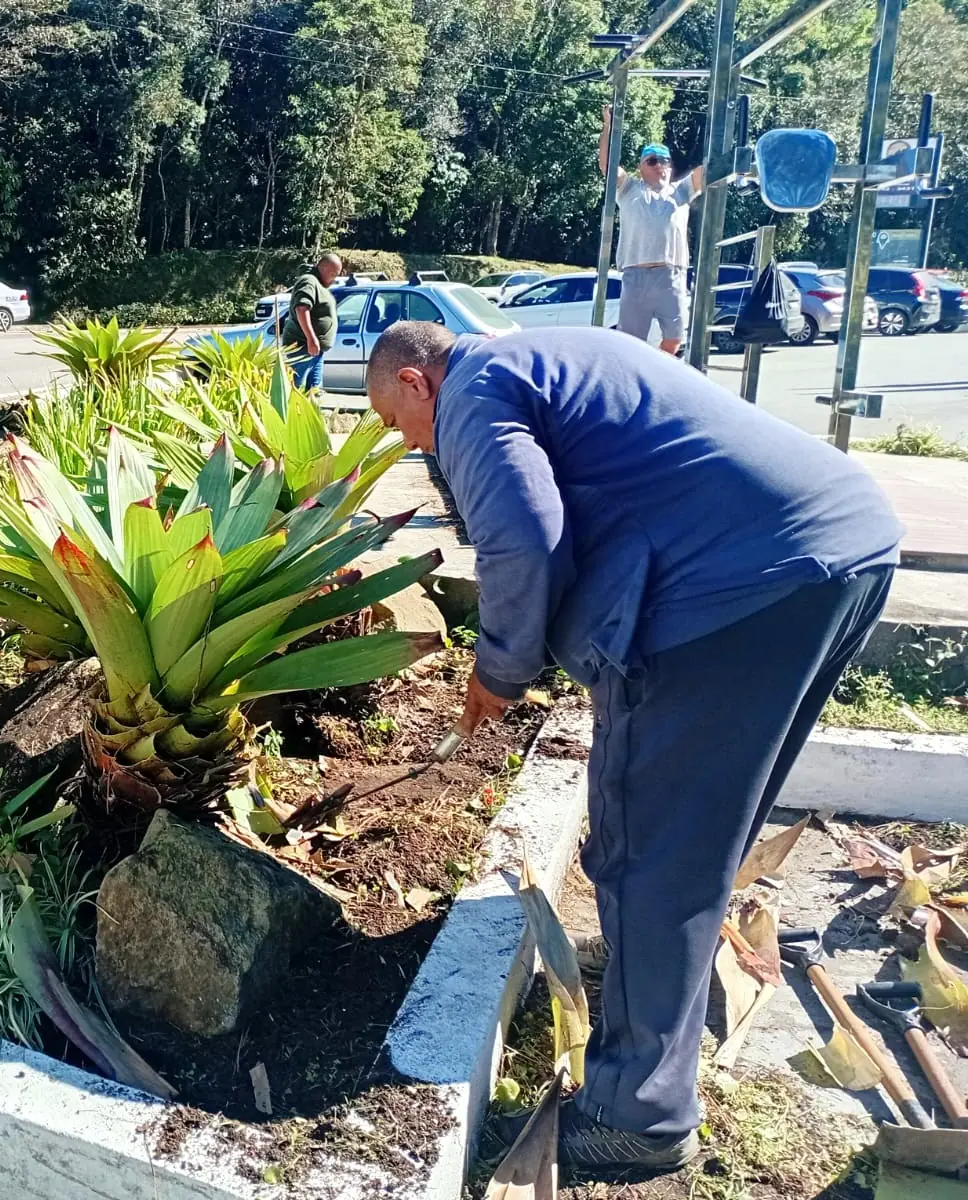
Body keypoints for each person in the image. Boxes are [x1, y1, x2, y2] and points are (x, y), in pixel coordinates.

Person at [366, 321, 901, 1172]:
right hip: (843, 548)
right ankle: (657, 989)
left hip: (737, 590)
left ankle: (639, 1117)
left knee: (650, 848)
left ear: (415, 383)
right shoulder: (548, 353)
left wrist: (498, 673)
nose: (409, 441)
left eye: (398, 422)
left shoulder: (470, 395)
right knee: (700, 827)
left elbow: (525, 532)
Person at [599, 106, 705, 356]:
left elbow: (707, 171)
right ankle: (634, 379)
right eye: (653, 161)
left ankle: (657, 372)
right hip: (636, 275)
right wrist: (608, 126)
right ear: (641, 167)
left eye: (665, 161)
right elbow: (607, 164)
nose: (660, 166)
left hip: (672, 275)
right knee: (629, 343)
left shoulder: (681, 190)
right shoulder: (629, 189)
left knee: (674, 339)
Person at [279, 253, 343, 390]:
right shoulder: (309, 281)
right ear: (323, 268)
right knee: (295, 390)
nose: (334, 279)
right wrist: (311, 338)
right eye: (333, 274)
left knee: (314, 392)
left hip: (314, 350)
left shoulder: (318, 284)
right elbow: (302, 308)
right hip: (303, 347)